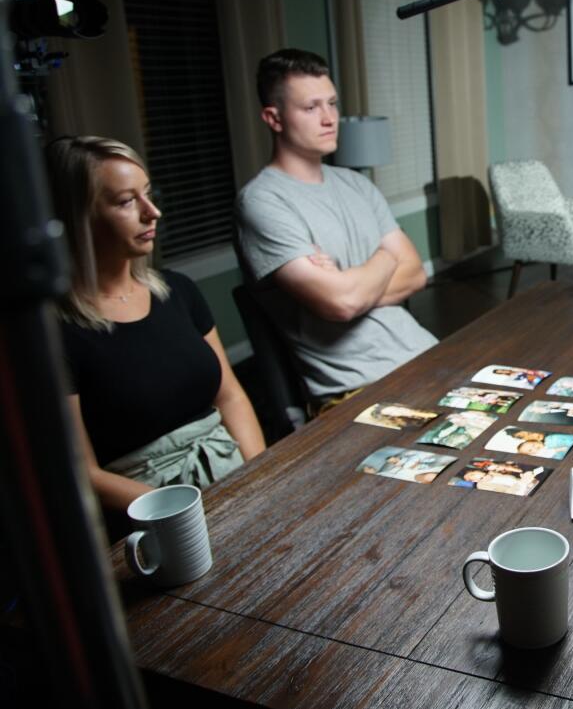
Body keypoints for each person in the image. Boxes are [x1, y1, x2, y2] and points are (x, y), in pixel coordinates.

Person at [46, 136, 266, 515]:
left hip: (232, 476)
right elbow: (83, 472)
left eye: (149, 194)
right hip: (153, 509)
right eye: (127, 201)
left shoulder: (178, 290)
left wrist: (259, 475)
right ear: (79, 216)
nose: (153, 212)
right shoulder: (56, 333)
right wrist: (191, 511)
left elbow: (230, 396)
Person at [235, 48, 436, 412]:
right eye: (310, 108)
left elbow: (416, 273)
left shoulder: (356, 185)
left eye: (332, 103)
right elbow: (342, 303)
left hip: (425, 358)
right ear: (274, 118)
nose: (329, 118)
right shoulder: (262, 201)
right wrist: (387, 256)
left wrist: (353, 283)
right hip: (359, 390)